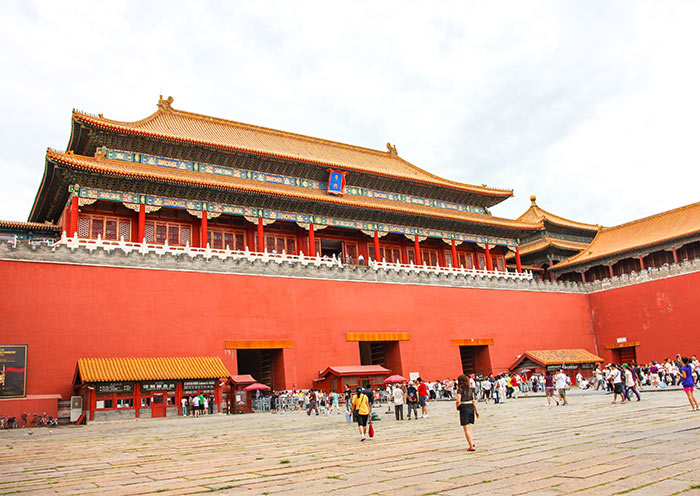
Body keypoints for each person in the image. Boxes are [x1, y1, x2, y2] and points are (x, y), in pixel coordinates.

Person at [455, 374, 479, 451]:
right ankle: (472, 441)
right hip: (471, 407)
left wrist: (457, 406)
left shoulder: (460, 389)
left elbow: (458, 400)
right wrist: (476, 411)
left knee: (466, 428)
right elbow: (473, 401)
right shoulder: (470, 389)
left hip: (464, 407)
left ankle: (471, 446)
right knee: (469, 427)